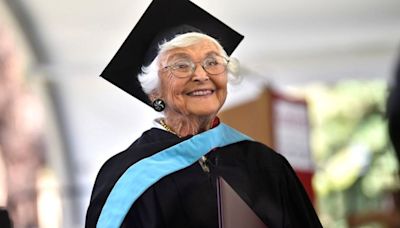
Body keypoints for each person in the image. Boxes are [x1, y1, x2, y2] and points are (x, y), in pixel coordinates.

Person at [85, 0, 322, 227]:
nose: (201, 75)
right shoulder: (128, 177)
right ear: (154, 92)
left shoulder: (266, 165)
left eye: (212, 62)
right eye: (181, 65)